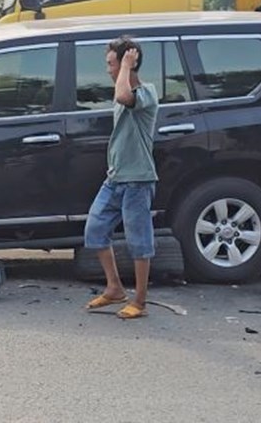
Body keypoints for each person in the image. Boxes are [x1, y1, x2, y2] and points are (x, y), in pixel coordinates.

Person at [83, 37, 159, 319]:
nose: (109, 70)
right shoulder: (121, 87)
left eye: (111, 64)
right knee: (95, 229)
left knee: (139, 241)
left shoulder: (146, 92)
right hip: (115, 178)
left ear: (130, 62)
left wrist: (127, 66)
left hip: (138, 179)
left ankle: (140, 300)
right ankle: (114, 287)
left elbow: (124, 97)